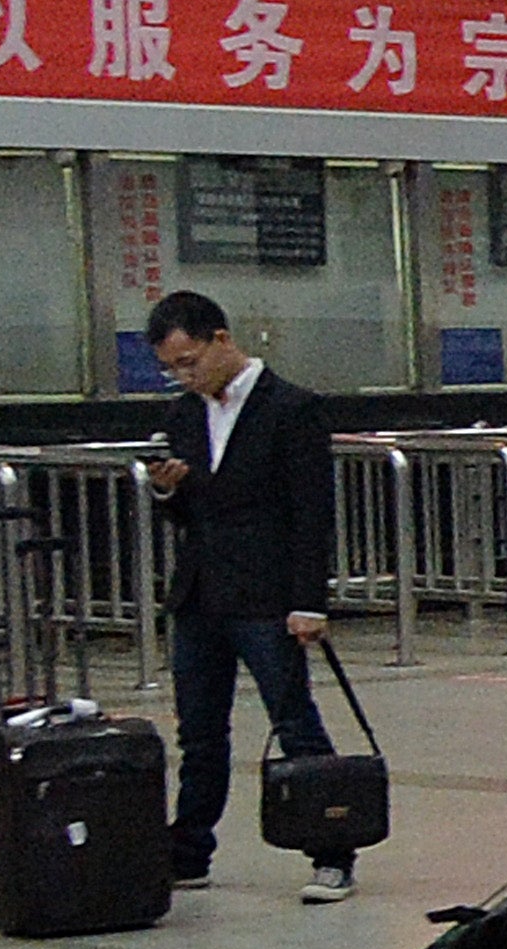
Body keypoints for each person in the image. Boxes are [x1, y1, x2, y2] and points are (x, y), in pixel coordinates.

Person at [139, 290, 354, 905]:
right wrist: (167, 492)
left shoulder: (292, 409)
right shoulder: (185, 415)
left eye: (189, 362)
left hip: (267, 594)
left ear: (221, 340)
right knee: (200, 733)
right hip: (201, 592)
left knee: (294, 722)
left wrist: (309, 603)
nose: (185, 377)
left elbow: (311, 514)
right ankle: (189, 851)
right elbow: (194, 512)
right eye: (172, 369)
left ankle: (332, 850)